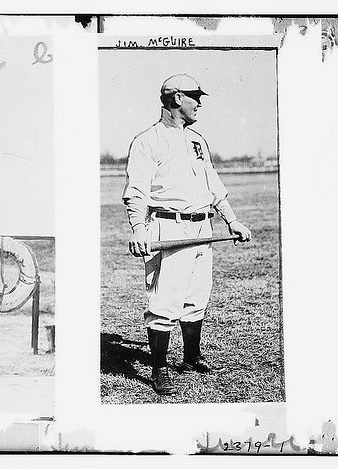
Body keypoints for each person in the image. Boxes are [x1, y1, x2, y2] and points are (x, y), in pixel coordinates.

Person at [123, 74, 252, 395]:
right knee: (165, 300)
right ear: (177, 98)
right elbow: (136, 191)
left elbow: (213, 184)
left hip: (201, 226)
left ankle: (191, 357)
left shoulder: (197, 140)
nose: (200, 103)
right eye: (195, 96)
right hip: (168, 226)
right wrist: (138, 228)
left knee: (197, 295)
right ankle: (159, 369)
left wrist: (231, 219)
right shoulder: (147, 140)